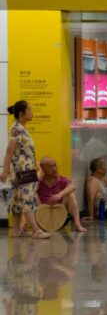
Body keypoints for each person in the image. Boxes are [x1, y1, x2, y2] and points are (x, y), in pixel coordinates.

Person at [0, 101, 50, 239]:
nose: (32, 112)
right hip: (22, 172)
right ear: (22, 113)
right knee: (27, 199)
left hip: (24, 170)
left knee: (17, 200)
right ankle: (36, 230)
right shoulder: (17, 129)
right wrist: (4, 171)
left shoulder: (21, 128)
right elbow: (10, 151)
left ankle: (16, 230)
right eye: (30, 109)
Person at [37, 157, 87, 232]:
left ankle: (77, 224)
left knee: (70, 195)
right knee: (32, 195)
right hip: (44, 216)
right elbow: (31, 189)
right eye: (50, 166)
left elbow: (72, 187)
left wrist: (59, 195)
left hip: (60, 214)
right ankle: (25, 226)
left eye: (55, 165)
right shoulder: (39, 181)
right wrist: (39, 172)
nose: (54, 168)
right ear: (43, 168)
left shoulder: (62, 179)